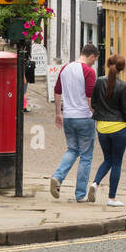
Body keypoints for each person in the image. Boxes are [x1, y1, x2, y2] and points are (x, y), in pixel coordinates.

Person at [50, 44, 100, 202]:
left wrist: (58, 113)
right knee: (86, 156)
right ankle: (80, 194)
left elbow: (57, 91)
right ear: (91, 56)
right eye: (95, 60)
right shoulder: (88, 71)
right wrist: (96, 114)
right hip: (84, 117)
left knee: (72, 149)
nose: (94, 63)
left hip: (69, 117)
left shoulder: (65, 68)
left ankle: (57, 177)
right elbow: (90, 96)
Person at [91, 53, 126, 207]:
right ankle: (111, 198)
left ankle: (95, 184)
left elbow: (93, 103)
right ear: (122, 68)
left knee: (108, 159)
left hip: (102, 127)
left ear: (107, 65)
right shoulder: (123, 86)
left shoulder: (99, 82)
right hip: (119, 128)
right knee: (116, 162)